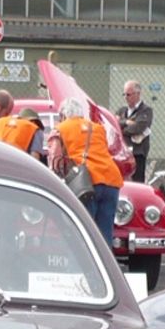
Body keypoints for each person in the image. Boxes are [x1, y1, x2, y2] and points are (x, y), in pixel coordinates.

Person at [55, 97, 123, 249]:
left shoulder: (61, 128)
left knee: (85, 230)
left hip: (87, 182)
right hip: (111, 179)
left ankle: (86, 268)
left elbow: (56, 159)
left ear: (63, 115)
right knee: (105, 232)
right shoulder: (97, 128)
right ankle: (105, 267)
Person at [118, 79, 153, 182]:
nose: (126, 98)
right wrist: (126, 122)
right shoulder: (122, 111)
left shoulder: (146, 110)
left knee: (137, 182)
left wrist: (122, 129)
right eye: (124, 94)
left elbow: (138, 128)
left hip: (138, 152)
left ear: (138, 94)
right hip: (123, 152)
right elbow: (114, 123)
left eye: (128, 95)